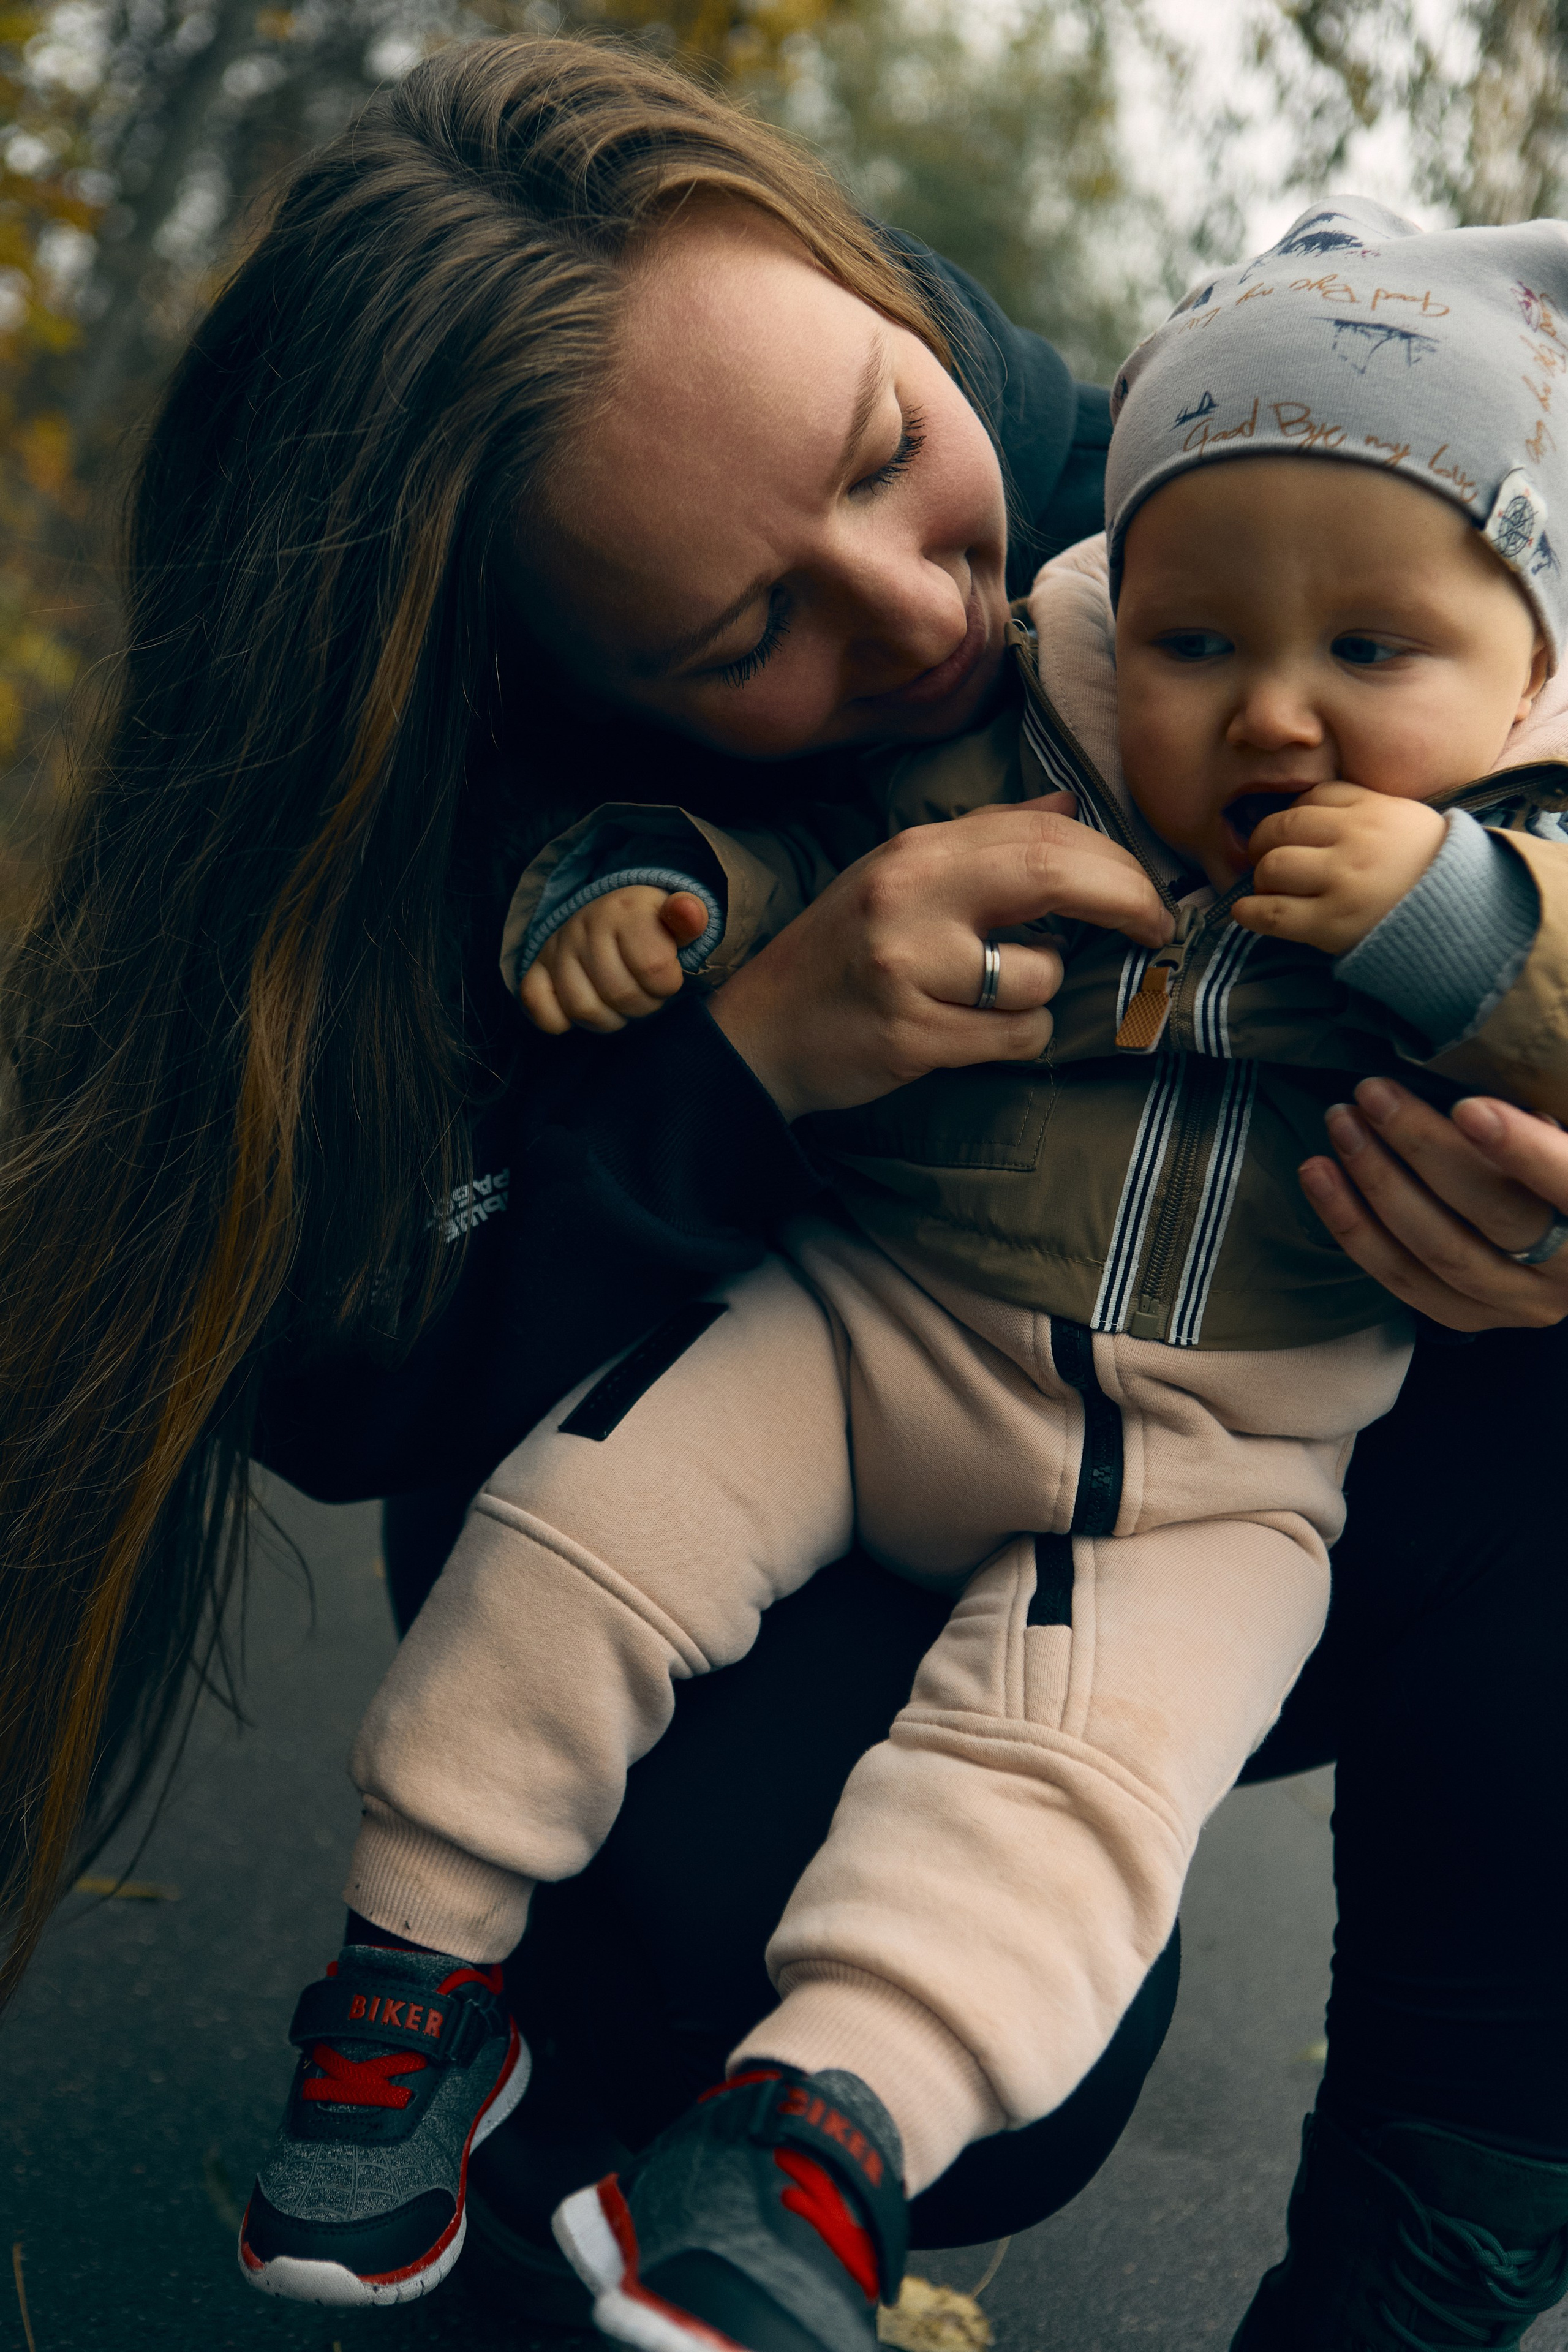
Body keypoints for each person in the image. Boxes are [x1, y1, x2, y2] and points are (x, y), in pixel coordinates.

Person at [0, 33, 1564, 2352]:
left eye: (879, 449)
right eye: (753, 637)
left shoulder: (1163, 479)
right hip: (785, 1393)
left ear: (864, 289)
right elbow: (343, 1386)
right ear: (546, 676)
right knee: (880, 1978)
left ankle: (1428, 2261)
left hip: (1212, 1449)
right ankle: (539, 2107)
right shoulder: (433, 798)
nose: (924, 612)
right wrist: (742, 1061)